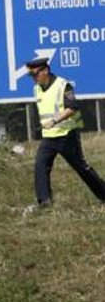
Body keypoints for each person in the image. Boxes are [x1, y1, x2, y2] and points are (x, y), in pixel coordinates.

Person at [26, 56, 105, 207]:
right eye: (31, 75)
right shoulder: (36, 89)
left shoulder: (63, 85)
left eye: (36, 74)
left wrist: (54, 120)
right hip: (49, 137)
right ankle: (45, 202)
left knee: (82, 168)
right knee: (40, 166)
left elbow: (72, 108)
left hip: (67, 135)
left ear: (46, 70)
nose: (34, 78)